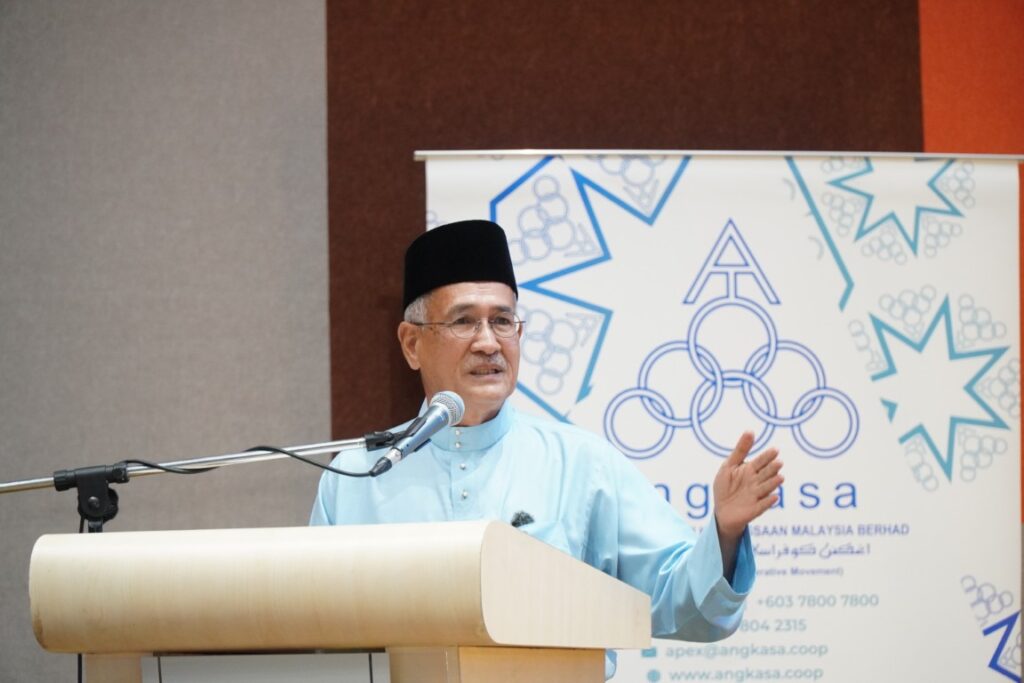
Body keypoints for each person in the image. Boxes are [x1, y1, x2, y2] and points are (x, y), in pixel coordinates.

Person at [311, 219, 783, 675]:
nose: (488, 343)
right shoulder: (356, 476)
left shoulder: (583, 465)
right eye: (464, 321)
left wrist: (724, 533)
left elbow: (685, 606)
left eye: (502, 321)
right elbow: (318, 633)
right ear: (412, 344)